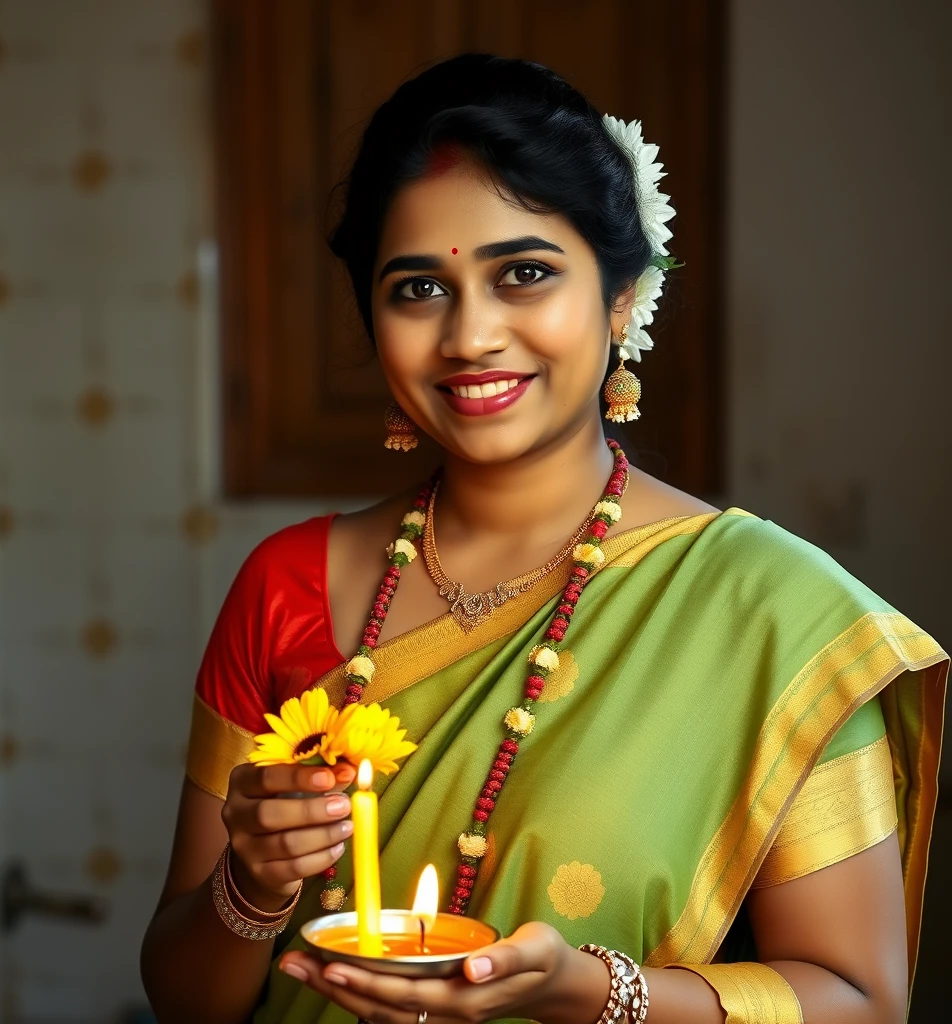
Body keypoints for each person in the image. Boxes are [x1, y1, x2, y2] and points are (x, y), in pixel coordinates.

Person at [140, 54, 947, 1024]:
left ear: (619, 298)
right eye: (415, 289)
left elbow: (861, 1000)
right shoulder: (285, 587)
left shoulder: (769, 613)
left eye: (523, 273)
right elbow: (185, 1001)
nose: (470, 334)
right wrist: (251, 884)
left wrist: (593, 992)